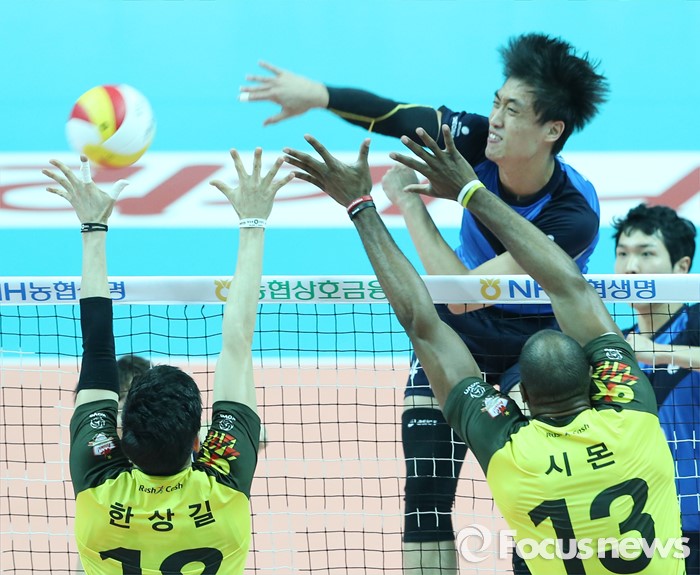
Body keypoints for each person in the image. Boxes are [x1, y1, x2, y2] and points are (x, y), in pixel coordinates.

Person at [242, 34, 609, 573]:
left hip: (540, 346)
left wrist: (408, 203)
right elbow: (394, 115)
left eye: (512, 111)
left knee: (544, 495)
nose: (495, 120)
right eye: (496, 103)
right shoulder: (473, 140)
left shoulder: (572, 215)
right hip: (461, 339)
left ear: (552, 130)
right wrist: (318, 94)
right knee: (426, 499)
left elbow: (463, 294)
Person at [283, 129, 686, 574]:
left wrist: (362, 205)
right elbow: (570, 286)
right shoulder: (633, 418)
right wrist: (471, 191)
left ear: (523, 398)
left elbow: (424, 325)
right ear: (597, 381)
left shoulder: (514, 455)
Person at [43, 150, 293, 575]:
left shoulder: (98, 484)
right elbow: (237, 344)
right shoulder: (224, 486)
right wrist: (253, 222)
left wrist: (93, 227)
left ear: (122, 435)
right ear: (198, 441)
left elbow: (97, 348)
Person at [613, 203, 699, 574]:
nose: (631, 267)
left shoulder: (696, 322)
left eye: (646, 254)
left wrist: (658, 352)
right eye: (622, 254)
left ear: (681, 266)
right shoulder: (613, 346)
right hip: (639, 526)